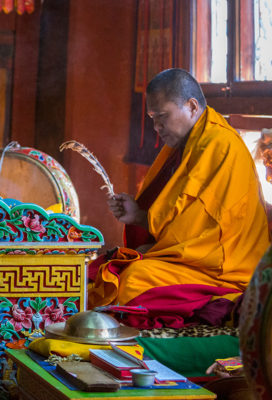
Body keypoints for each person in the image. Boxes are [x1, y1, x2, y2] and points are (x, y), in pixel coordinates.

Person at [88, 68, 270, 329]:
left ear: (192, 106)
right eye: (152, 118)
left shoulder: (219, 145)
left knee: (134, 279)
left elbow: (209, 232)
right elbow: (184, 214)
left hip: (225, 270)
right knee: (107, 267)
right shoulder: (191, 142)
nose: (156, 127)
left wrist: (150, 243)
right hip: (194, 258)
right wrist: (139, 215)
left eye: (162, 117)